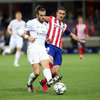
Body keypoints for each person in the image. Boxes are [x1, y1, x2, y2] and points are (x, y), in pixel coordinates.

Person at [40, 6, 86, 91]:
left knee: (55, 72)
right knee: (49, 61)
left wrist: (80, 41)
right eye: (60, 13)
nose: (61, 15)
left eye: (63, 14)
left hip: (58, 49)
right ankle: (46, 81)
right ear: (57, 13)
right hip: (50, 46)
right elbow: (41, 18)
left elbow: (72, 35)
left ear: (64, 15)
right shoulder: (51, 19)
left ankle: (43, 82)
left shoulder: (64, 26)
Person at [17, 6, 61, 92]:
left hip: (42, 49)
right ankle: (29, 84)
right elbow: (18, 31)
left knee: (46, 66)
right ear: (37, 15)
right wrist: (27, 36)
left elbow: (42, 37)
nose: (43, 17)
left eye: (44, 15)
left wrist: (46, 40)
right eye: (41, 15)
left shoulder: (46, 25)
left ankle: (49, 81)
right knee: (37, 72)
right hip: (33, 49)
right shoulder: (31, 23)